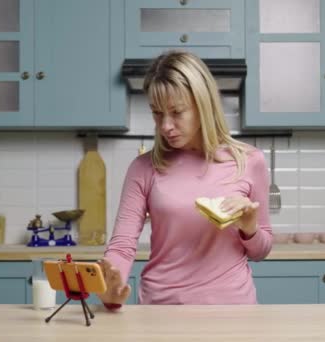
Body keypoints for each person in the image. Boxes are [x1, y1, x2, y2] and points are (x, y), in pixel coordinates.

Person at [97, 51, 272, 308]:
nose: (165, 125)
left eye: (177, 112)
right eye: (157, 113)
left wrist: (249, 227)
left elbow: (261, 251)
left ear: (203, 105)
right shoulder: (144, 167)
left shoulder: (249, 160)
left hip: (233, 311)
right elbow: (122, 246)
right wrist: (111, 288)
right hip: (161, 309)